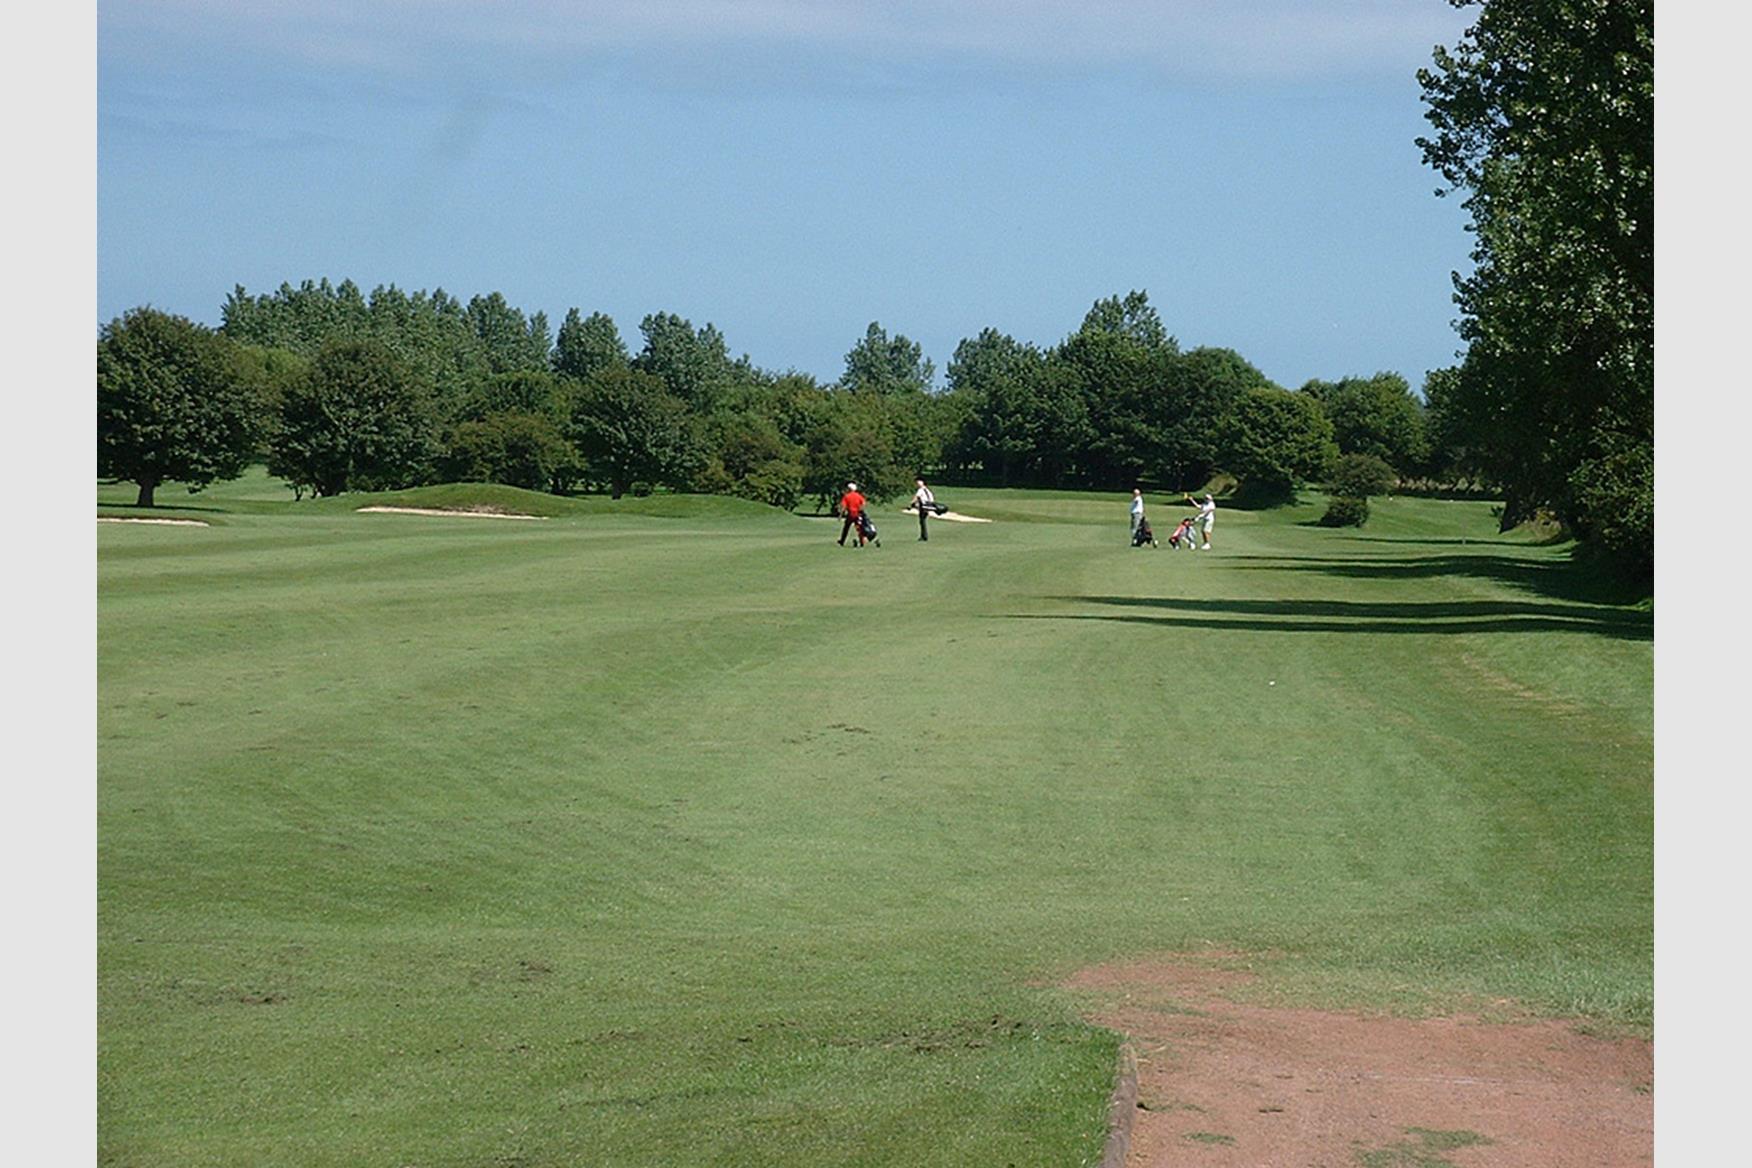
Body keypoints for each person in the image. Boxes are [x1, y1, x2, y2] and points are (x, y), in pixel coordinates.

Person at [837, 481, 867, 547]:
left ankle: (842, 541)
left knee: (846, 528)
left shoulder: (847, 496)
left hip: (850, 514)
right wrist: (861, 510)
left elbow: (843, 507)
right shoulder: (858, 496)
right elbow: (864, 503)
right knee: (859, 528)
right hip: (857, 514)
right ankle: (862, 542)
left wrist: (840, 515)